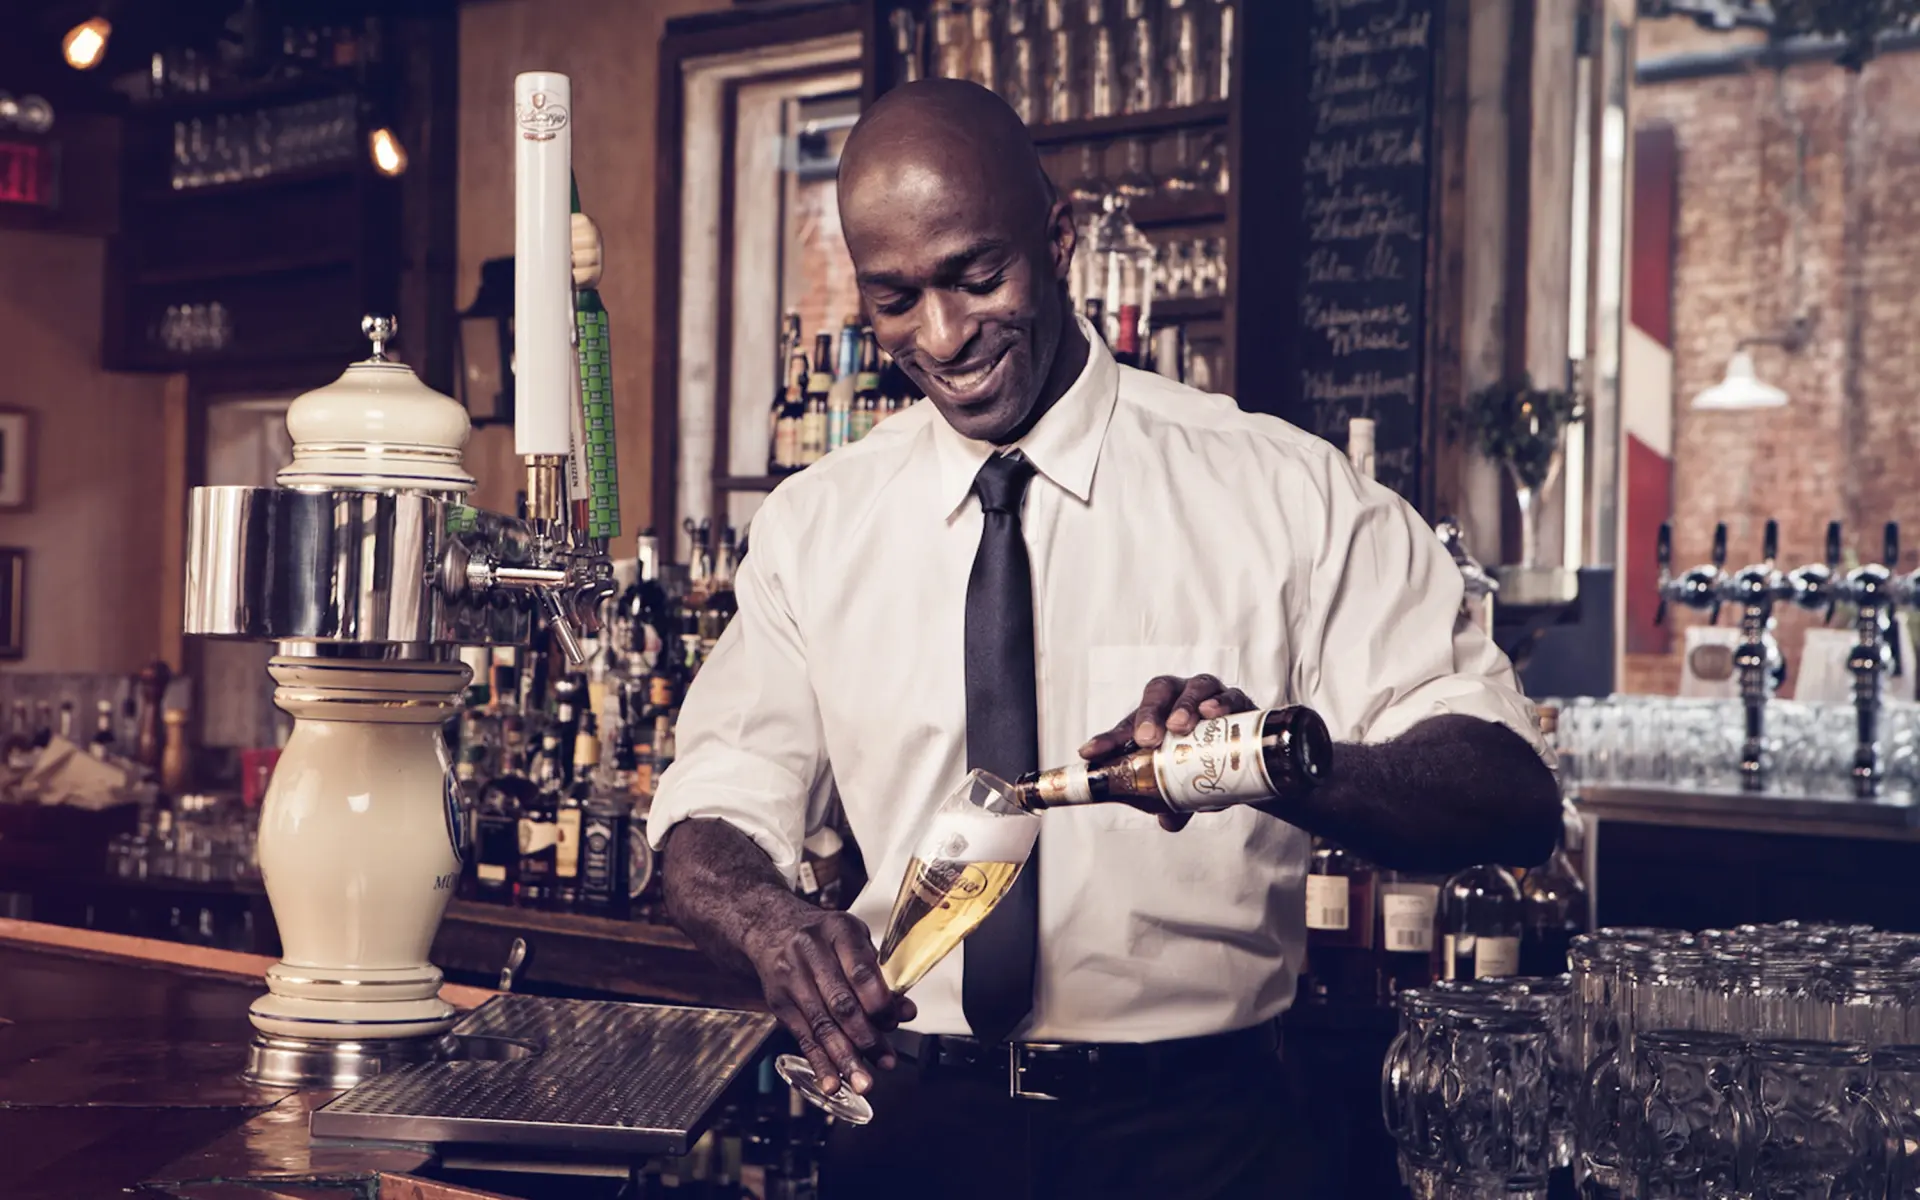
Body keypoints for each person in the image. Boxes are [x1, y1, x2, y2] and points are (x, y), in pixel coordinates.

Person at [648, 80, 1560, 1199]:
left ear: (1061, 239)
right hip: (914, 1127)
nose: (942, 336)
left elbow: (1509, 792)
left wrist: (1267, 758)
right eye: (895, 299)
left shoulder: (1282, 491)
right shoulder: (816, 526)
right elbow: (707, 816)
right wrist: (769, 920)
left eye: (980, 278)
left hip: (1205, 1137)